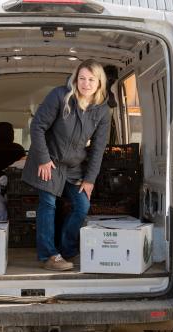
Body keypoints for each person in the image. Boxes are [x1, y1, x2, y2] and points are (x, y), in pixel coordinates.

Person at [22, 59, 110, 271]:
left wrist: (89, 179)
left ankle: (66, 250)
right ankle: (49, 255)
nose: (86, 83)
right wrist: (43, 159)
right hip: (49, 161)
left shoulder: (102, 111)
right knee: (48, 205)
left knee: (82, 206)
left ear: (99, 83)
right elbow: (37, 127)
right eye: (81, 78)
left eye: (91, 79)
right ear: (75, 79)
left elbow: (98, 149)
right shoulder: (60, 96)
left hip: (73, 167)